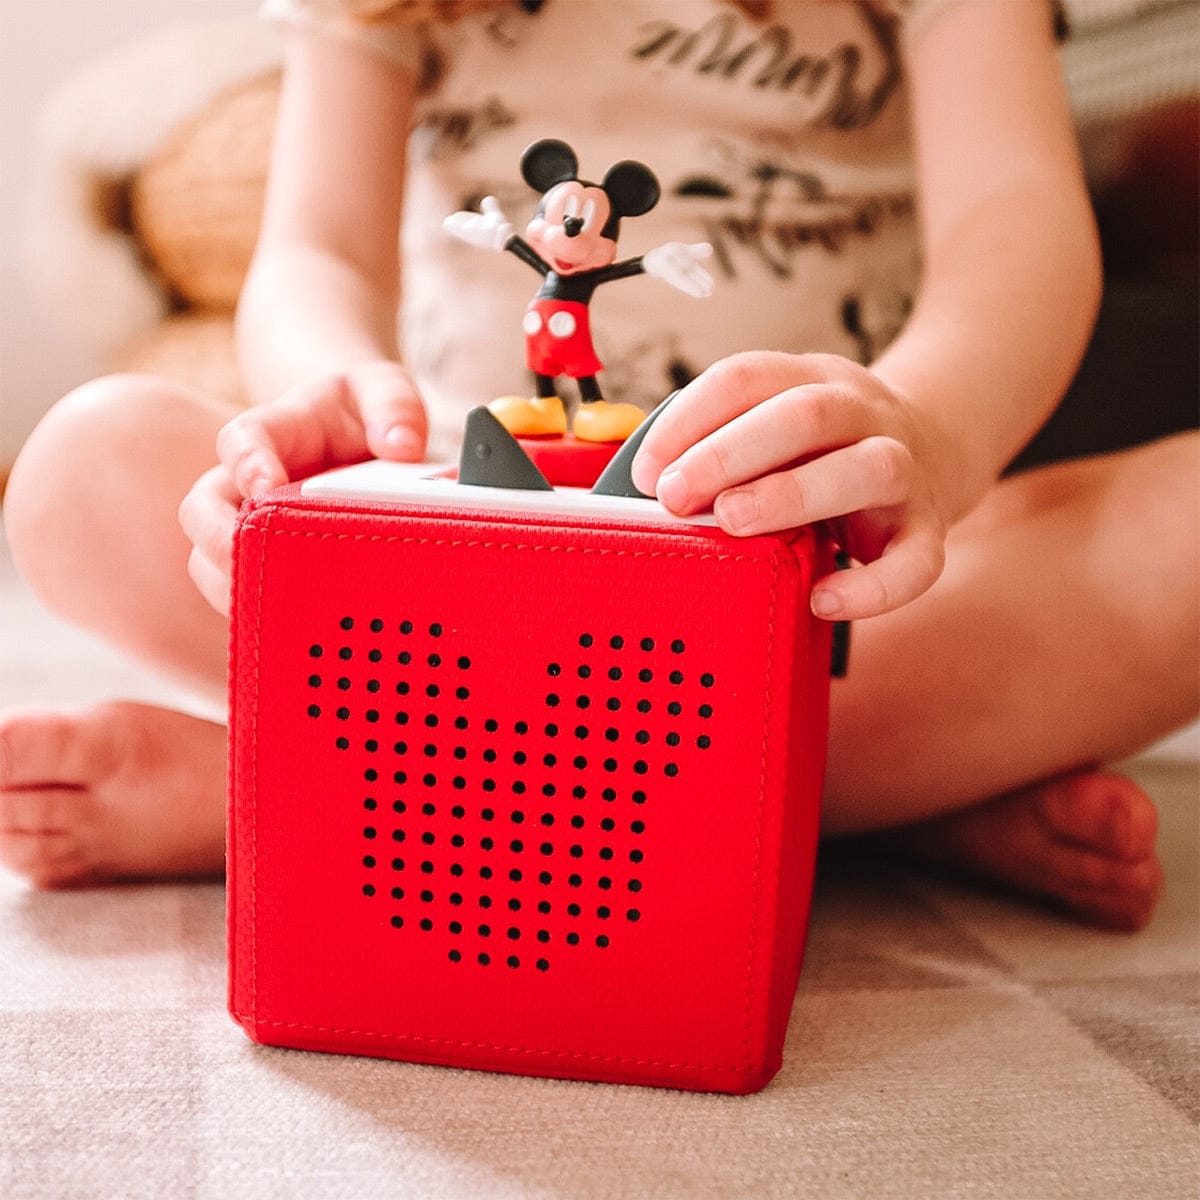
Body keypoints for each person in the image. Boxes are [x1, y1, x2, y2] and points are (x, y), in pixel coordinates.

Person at [2, 0, 1194, 931]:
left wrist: (930, 426)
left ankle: (310, 801)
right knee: (80, 468)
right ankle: (855, 806)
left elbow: (1014, 222)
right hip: (456, 589)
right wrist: (332, 398)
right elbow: (318, 250)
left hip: (816, 586)